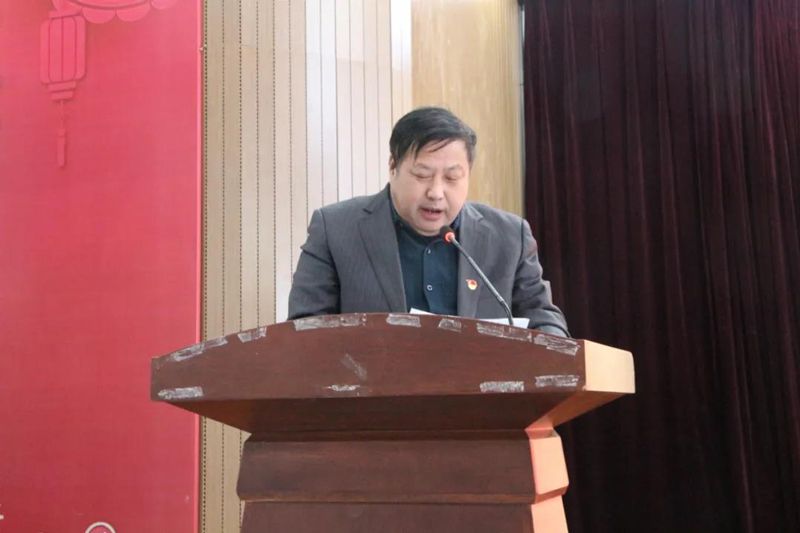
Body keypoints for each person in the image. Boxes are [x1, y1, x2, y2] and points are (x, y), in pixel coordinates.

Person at [288, 107, 569, 336]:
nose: (436, 192)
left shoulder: (509, 236)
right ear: (393, 167)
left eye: (452, 178)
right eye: (422, 175)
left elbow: (543, 317)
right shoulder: (336, 230)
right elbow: (304, 330)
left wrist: (556, 347)